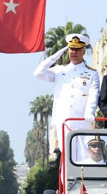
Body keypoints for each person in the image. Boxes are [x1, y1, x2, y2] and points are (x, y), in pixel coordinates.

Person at [34, 33, 100, 161]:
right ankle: (67, 182)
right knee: (67, 158)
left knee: (84, 156)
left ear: (84, 51)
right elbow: (38, 73)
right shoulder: (60, 71)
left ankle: (83, 182)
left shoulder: (92, 73)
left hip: (82, 121)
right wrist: (58, 54)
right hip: (64, 121)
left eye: (77, 49)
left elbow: (93, 95)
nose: (74, 52)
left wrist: (89, 114)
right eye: (71, 48)